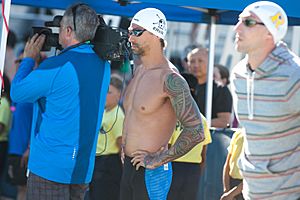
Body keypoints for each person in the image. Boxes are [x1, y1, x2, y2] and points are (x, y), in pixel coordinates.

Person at [10, 4, 110, 199]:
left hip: (50, 167)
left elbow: (17, 92)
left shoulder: (56, 65)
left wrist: (29, 60)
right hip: (82, 167)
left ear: (69, 30)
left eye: (61, 27)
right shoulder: (103, 66)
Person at [120, 8, 205, 200]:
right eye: (129, 32)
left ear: (155, 34)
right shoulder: (139, 71)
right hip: (129, 168)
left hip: (151, 172)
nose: (130, 37)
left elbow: (196, 130)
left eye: (136, 32)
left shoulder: (170, 79)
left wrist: (158, 159)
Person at [232, 1, 300, 199]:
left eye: (248, 22)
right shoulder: (238, 74)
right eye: (239, 21)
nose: (237, 28)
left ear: (270, 33)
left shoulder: (293, 74)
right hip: (252, 192)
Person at [89, 74, 124, 200]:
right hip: (97, 162)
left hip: (108, 165)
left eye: (109, 92)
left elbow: (122, 146)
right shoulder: (104, 111)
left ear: (119, 95)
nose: (104, 95)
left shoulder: (118, 115)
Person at [187, 47, 233, 128]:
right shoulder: (187, 87)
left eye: (200, 61)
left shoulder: (220, 89)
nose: (196, 65)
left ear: (210, 63)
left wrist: (194, 124)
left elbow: (224, 121)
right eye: (192, 61)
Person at [221, 129, 244, 200]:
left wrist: (231, 194)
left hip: (245, 188)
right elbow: (227, 165)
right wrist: (227, 190)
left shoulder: (257, 140)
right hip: (232, 183)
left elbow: (252, 177)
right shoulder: (238, 134)